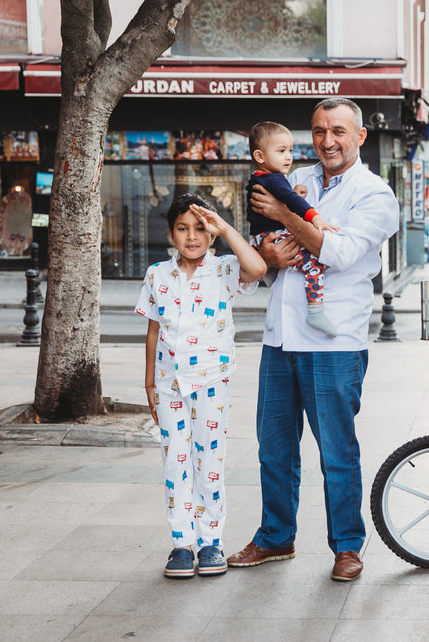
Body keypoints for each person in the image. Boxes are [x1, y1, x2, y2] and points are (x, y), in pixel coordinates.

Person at [226, 97, 399, 582]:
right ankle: (275, 537)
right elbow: (262, 240)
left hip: (335, 344)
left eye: (339, 131)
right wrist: (269, 253)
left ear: (360, 136)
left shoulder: (375, 194)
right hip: (280, 339)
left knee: (336, 451)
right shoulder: (292, 176)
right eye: (320, 131)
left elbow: (339, 252)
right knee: (273, 448)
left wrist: (286, 218)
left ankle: (347, 546)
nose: (327, 140)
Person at [135, 194, 266, 579]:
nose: (191, 237)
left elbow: (257, 268)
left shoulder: (225, 269)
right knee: (175, 460)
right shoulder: (157, 275)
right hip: (168, 382)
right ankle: (182, 543)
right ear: (171, 234)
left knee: (209, 462)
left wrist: (224, 227)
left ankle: (211, 542)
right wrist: (148, 381)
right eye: (182, 228)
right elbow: (153, 330)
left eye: (200, 228)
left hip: (211, 378)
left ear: (211, 234)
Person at [246, 121, 340, 337]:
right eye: (281, 151)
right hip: (274, 237)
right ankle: (315, 310)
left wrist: (292, 195)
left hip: (260, 238)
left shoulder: (260, 178)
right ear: (260, 157)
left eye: (290, 150)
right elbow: (287, 201)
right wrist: (315, 218)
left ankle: (271, 272)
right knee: (315, 263)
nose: (288, 157)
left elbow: (283, 201)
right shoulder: (275, 178)